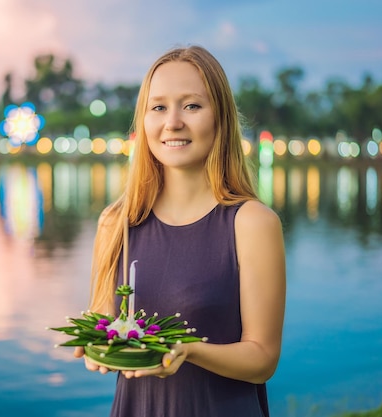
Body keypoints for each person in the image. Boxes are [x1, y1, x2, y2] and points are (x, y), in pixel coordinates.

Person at [73, 45, 286, 417]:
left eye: (191, 106)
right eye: (158, 107)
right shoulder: (115, 223)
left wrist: (190, 350)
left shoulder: (252, 223)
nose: (172, 122)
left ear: (220, 118)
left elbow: (263, 359)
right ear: (143, 121)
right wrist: (93, 346)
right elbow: (105, 323)